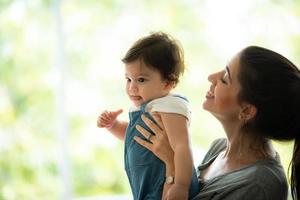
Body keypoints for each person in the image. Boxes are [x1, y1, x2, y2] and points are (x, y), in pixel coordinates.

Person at [134, 46, 300, 200]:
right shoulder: (218, 149)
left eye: (225, 78)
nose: (212, 77)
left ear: (247, 111)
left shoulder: (259, 185)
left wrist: (171, 162)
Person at [97, 32, 199, 200]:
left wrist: (181, 186)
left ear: (167, 83)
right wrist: (113, 125)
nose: (132, 87)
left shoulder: (170, 105)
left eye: (141, 80)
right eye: (128, 79)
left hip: (168, 187)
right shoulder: (148, 108)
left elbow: (182, 147)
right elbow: (135, 135)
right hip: (147, 187)